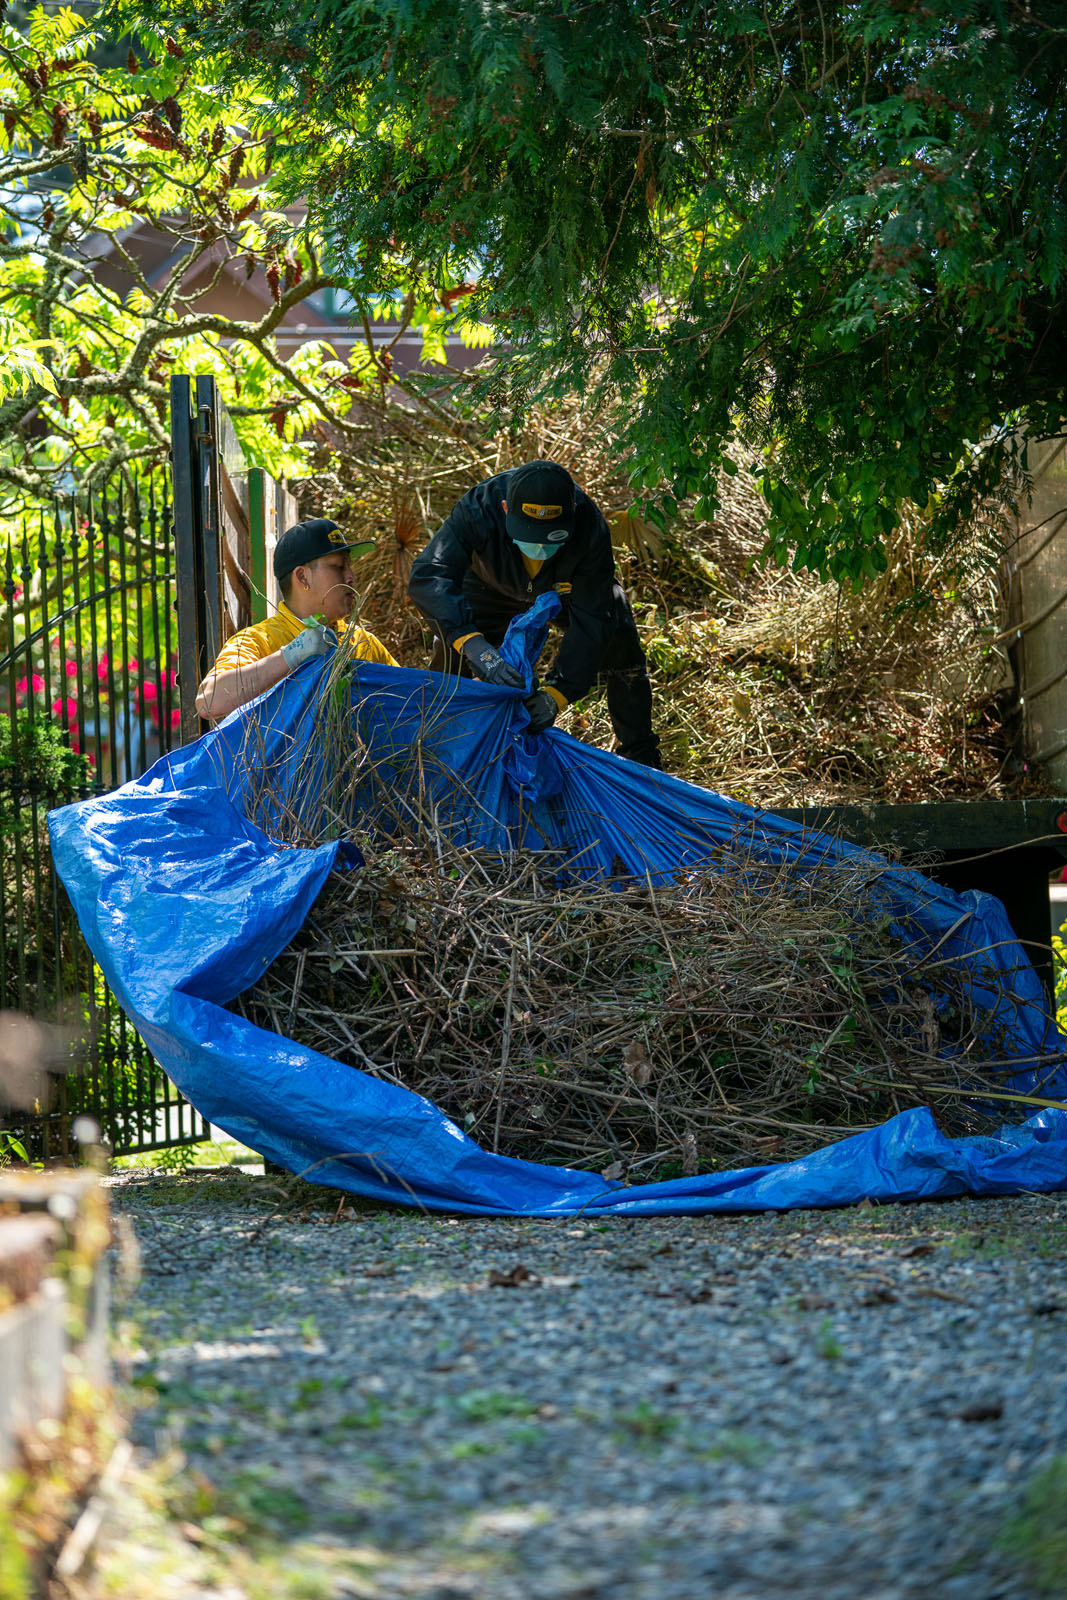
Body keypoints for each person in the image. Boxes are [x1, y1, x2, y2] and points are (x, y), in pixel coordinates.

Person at [407, 460, 661, 767]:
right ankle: (437, 745)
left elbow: (592, 620)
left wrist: (557, 694)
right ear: (504, 509)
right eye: (529, 533)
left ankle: (642, 761)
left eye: (550, 536)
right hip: (489, 586)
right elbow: (430, 575)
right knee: (450, 650)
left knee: (619, 640)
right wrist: (474, 645)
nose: (538, 545)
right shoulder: (479, 508)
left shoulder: (590, 527)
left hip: (564, 591)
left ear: (572, 514)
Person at [195, 517, 398, 722]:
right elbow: (208, 701)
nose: (352, 577)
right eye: (339, 567)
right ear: (302, 577)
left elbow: (413, 701)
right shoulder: (260, 641)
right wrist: (292, 654)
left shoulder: (364, 643)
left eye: (349, 567)